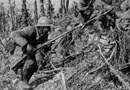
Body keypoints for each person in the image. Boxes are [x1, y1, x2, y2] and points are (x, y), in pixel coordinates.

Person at [3, 16, 52, 89]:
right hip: (18, 47)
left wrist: (48, 44)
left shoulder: (44, 35)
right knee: (22, 64)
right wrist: (26, 45)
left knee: (34, 66)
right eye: (46, 28)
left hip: (29, 50)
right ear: (41, 28)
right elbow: (14, 34)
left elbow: (43, 44)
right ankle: (16, 81)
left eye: (48, 28)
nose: (48, 30)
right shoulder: (30, 30)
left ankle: (24, 82)